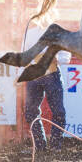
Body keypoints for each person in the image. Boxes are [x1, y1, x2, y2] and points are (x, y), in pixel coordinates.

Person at [23, 18, 71, 151]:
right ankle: (41, 146)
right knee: (31, 112)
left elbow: (66, 55)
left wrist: (58, 59)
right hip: (37, 73)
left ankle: (53, 146)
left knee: (58, 111)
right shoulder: (31, 33)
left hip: (49, 73)